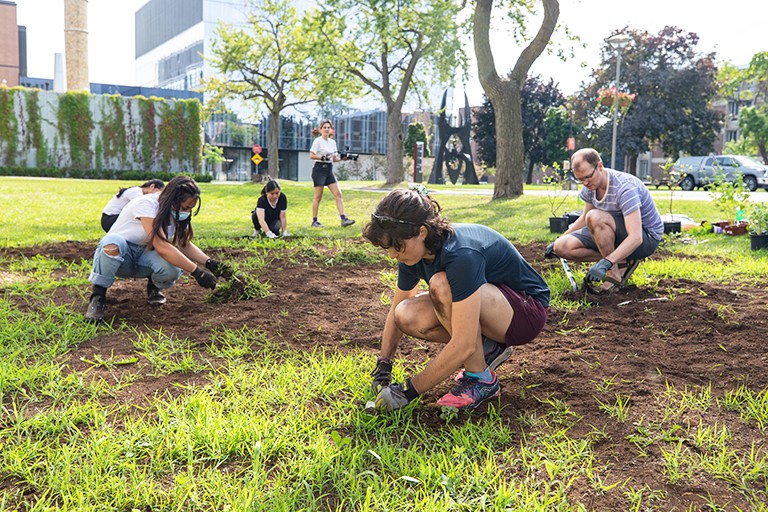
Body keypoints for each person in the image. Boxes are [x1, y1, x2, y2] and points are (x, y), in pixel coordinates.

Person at [363, 188, 550, 412]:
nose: (392, 255)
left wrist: (408, 391)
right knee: (405, 314)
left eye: (397, 246)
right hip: (492, 304)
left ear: (422, 232)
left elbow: (463, 344)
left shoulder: (461, 254)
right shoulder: (412, 256)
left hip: (525, 312)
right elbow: (395, 311)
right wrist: (384, 364)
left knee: (442, 286)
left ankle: (481, 379)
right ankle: (488, 348)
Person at [85, 176, 232, 322]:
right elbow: (161, 246)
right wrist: (197, 273)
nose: (187, 212)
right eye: (185, 208)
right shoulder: (146, 204)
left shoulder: (176, 214)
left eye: (190, 209)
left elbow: (184, 243)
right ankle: (98, 297)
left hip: (144, 257)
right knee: (113, 243)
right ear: (173, 200)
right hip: (122, 257)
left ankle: (154, 287)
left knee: (172, 268)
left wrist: (209, 263)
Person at [545, 148, 664, 293]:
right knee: (562, 246)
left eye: (588, 177)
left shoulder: (625, 188)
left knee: (595, 217)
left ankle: (613, 275)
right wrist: (560, 238)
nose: (585, 183)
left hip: (645, 238)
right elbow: (584, 219)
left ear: (599, 166)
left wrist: (607, 262)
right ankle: (623, 261)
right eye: (580, 179)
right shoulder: (589, 187)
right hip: (613, 231)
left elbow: (636, 237)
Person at [309, 119, 355, 228]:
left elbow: (334, 159)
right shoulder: (318, 141)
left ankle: (344, 219)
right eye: (324, 127)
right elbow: (311, 155)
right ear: (320, 130)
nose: (326, 129)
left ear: (331, 130)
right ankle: (314, 221)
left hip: (329, 170)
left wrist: (344, 158)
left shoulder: (332, 143)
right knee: (318, 197)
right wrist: (323, 157)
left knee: (338, 194)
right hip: (319, 170)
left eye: (328, 127)